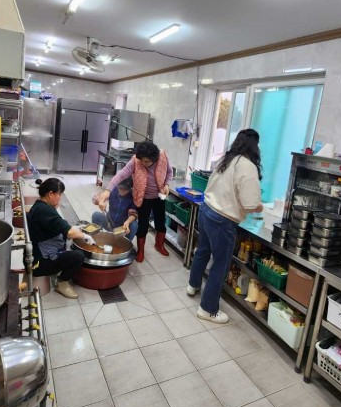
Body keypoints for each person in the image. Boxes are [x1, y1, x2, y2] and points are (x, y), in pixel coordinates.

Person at [187, 129, 263, 324]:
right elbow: (250, 204)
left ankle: (193, 285)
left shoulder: (227, 160)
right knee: (220, 264)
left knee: (202, 250)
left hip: (206, 209)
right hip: (222, 220)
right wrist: (259, 206)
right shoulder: (248, 166)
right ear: (255, 147)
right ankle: (207, 309)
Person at [96, 141, 172, 262]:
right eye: (142, 160)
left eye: (146, 161)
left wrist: (167, 184)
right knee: (142, 225)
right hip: (143, 198)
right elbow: (121, 174)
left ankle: (159, 245)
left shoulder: (162, 156)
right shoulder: (136, 161)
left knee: (160, 222)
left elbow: (169, 172)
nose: (143, 163)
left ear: (154, 158)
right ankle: (141, 251)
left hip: (159, 196)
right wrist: (108, 190)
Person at [27, 178, 95, 299]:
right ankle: (62, 282)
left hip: (37, 252)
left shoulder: (40, 205)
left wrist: (74, 228)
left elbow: (58, 226)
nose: (60, 197)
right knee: (78, 256)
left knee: (68, 238)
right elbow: (69, 232)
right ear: (50, 194)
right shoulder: (45, 210)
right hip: (39, 263)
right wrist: (85, 236)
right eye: (59, 194)